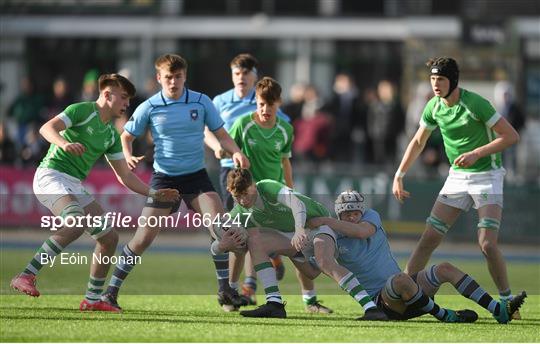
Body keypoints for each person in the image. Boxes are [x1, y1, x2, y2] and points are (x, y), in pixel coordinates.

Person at [10, 74, 179, 312]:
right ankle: (26, 275)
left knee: (109, 238)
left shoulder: (111, 134)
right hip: (51, 175)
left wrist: (153, 193)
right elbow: (46, 128)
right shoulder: (82, 110)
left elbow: (125, 176)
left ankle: (91, 299)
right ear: (107, 95)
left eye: (128, 100)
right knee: (76, 220)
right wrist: (63, 143)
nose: (126, 104)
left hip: (73, 184)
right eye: (123, 98)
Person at [101, 54, 250, 312]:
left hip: (196, 177)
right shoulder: (150, 106)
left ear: (185, 77)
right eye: (168, 77)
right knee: (142, 238)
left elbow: (222, 135)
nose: (173, 82)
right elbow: (125, 136)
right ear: (159, 78)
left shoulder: (201, 102)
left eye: (178, 77)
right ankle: (110, 292)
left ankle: (225, 289)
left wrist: (235, 151)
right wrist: (127, 155)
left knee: (222, 228)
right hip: (164, 179)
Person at [392, 57, 521, 308]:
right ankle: (404, 293)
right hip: (457, 178)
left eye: (440, 79)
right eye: (432, 79)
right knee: (428, 238)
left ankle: (506, 299)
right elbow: (418, 142)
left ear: (453, 80)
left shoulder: (475, 103)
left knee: (486, 243)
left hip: (487, 176)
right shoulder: (433, 107)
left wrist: (476, 153)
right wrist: (399, 174)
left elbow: (511, 136)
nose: (436, 84)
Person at [309, 190, 526, 323]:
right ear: (340, 214)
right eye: (348, 214)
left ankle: (498, 310)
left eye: (356, 212)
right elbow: (317, 265)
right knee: (401, 279)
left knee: (445, 268)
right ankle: (445, 315)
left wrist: (325, 221)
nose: (354, 217)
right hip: (383, 302)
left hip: (406, 291)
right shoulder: (334, 235)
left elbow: (362, 232)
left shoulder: (370, 217)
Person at [224, 77, 332, 313]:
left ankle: (310, 300)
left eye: (270, 105)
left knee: (299, 245)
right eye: (261, 104)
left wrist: (291, 191)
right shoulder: (243, 124)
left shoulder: (286, 129)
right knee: (240, 242)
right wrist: (233, 153)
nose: (265, 109)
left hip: (275, 196)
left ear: (279, 103)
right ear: (256, 103)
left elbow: (285, 162)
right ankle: (233, 292)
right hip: (248, 196)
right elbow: (226, 147)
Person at [222, 169, 385, 319]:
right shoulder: (239, 213)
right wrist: (222, 245)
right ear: (230, 192)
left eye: (245, 193)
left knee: (324, 262)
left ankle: (371, 308)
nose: (243, 200)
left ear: (252, 186)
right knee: (256, 242)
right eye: (238, 196)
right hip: (293, 236)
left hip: (317, 225)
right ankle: (275, 304)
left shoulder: (266, 186)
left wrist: (299, 229)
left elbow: (297, 204)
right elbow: (218, 238)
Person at [207, 54, 289, 308]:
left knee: (251, 230)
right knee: (234, 230)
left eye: (245, 73)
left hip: (256, 176)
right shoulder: (219, 101)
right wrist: (217, 148)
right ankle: (234, 286)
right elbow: (208, 131)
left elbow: (282, 128)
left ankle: (246, 287)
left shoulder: (263, 102)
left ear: (254, 75)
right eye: (236, 73)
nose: (241, 78)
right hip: (229, 172)